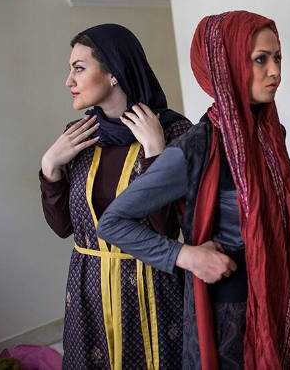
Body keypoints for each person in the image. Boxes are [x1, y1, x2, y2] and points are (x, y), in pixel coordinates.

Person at [97, 11, 290, 370]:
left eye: (277, 57)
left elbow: (282, 190)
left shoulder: (268, 133)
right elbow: (112, 223)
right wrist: (187, 256)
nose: (275, 71)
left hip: (281, 291)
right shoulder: (198, 147)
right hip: (232, 312)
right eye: (260, 60)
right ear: (227, 65)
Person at [39, 24, 191, 369]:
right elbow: (64, 226)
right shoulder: (79, 136)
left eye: (79, 68)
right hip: (89, 289)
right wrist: (49, 167)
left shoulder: (175, 132)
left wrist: (154, 152)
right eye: (70, 69)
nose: (69, 80)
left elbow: (167, 226)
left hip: (153, 288)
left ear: (113, 73)